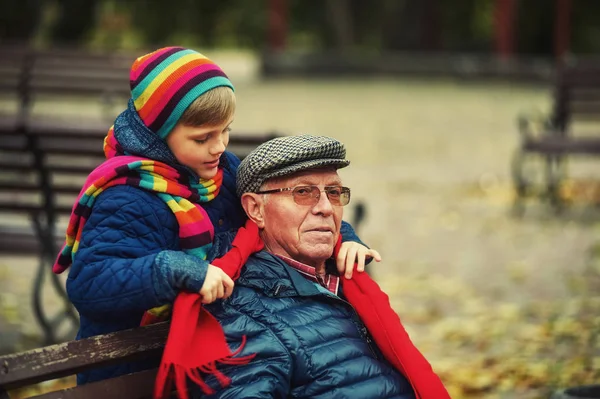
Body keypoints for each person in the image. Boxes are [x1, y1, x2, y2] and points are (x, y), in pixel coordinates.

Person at [52, 47, 374, 385]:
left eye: (225, 131)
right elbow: (89, 282)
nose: (219, 146)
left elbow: (281, 212)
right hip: (132, 370)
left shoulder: (223, 172)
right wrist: (177, 270)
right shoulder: (127, 198)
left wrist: (343, 240)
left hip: (215, 360)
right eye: (203, 137)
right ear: (159, 133)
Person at [162, 135, 450, 399]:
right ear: (255, 209)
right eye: (303, 192)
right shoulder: (246, 315)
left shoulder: (346, 280)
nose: (325, 207)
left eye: (334, 193)